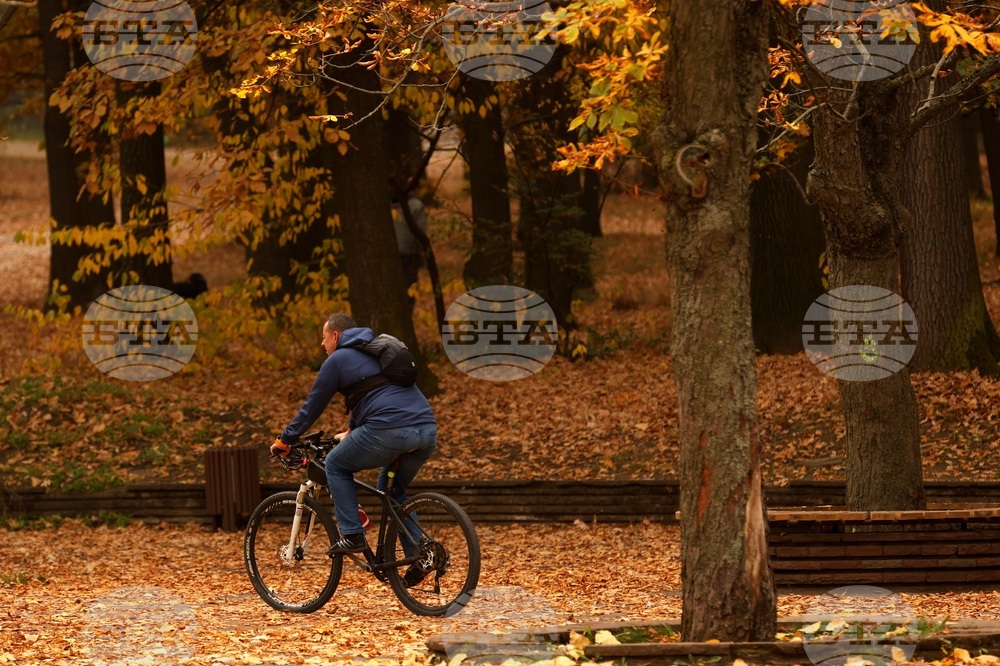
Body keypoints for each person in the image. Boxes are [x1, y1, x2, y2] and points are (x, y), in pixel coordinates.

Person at [269, 314, 437, 573]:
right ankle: (420, 557)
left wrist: (285, 439)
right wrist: (350, 430)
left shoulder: (338, 360)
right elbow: (374, 393)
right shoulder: (377, 352)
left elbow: (313, 406)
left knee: (335, 464)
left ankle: (352, 535)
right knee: (393, 492)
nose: (322, 345)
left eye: (324, 338)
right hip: (426, 431)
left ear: (335, 336)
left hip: (390, 431)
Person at [390, 191, 428, 309]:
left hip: (391, 255)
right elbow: (421, 232)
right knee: (409, 290)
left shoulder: (381, 204)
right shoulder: (417, 205)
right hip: (409, 254)